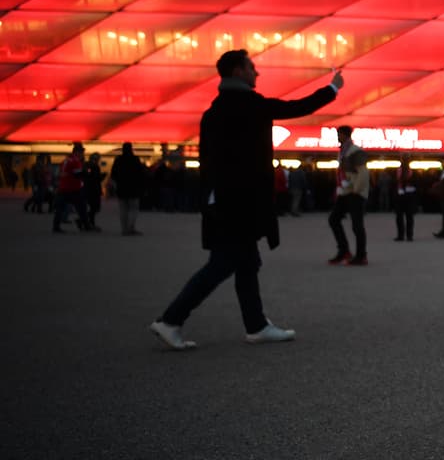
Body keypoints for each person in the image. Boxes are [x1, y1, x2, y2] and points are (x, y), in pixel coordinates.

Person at [149, 50, 343, 350]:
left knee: (247, 262)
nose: (257, 73)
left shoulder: (215, 110)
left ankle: (256, 325)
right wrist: (333, 88)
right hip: (238, 202)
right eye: (252, 67)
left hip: (224, 199)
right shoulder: (247, 105)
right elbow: (296, 108)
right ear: (238, 71)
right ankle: (171, 319)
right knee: (224, 263)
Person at [328, 125, 370, 265]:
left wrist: (357, 190)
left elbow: (363, 173)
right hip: (345, 192)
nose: (337, 137)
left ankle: (361, 255)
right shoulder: (344, 151)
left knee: (357, 225)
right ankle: (344, 250)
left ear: (345, 135)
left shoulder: (355, 151)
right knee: (334, 219)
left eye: (339, 134)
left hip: (354, 192)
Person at [52, 143, 91, 233]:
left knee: (59, 209)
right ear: (76, 152)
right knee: (82, 208)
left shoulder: (65, 160)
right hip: (73, 189)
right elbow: (77, 175)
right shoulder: (75, 161)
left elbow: (61, 173)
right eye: (81, 152)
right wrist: (86, 173)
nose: (83, 154)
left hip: (63, 188)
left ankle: (55, 226)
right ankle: (86, 226)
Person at [111, 142, 147, 236]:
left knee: (123, 209)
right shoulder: (135, 159)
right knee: (133, 209)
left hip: (121, 188)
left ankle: (124, 229)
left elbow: (113, 174)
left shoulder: (118, 160)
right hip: (133, 188)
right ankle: (131, 227)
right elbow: (141, 174)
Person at [393, 154, 417, 241]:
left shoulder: (401, 170)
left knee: (404, 216)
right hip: (406, 194)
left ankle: (403, 235)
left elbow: (396, 181)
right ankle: (407, 235)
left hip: (403, 194)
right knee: (406, 216)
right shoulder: (409, 170)